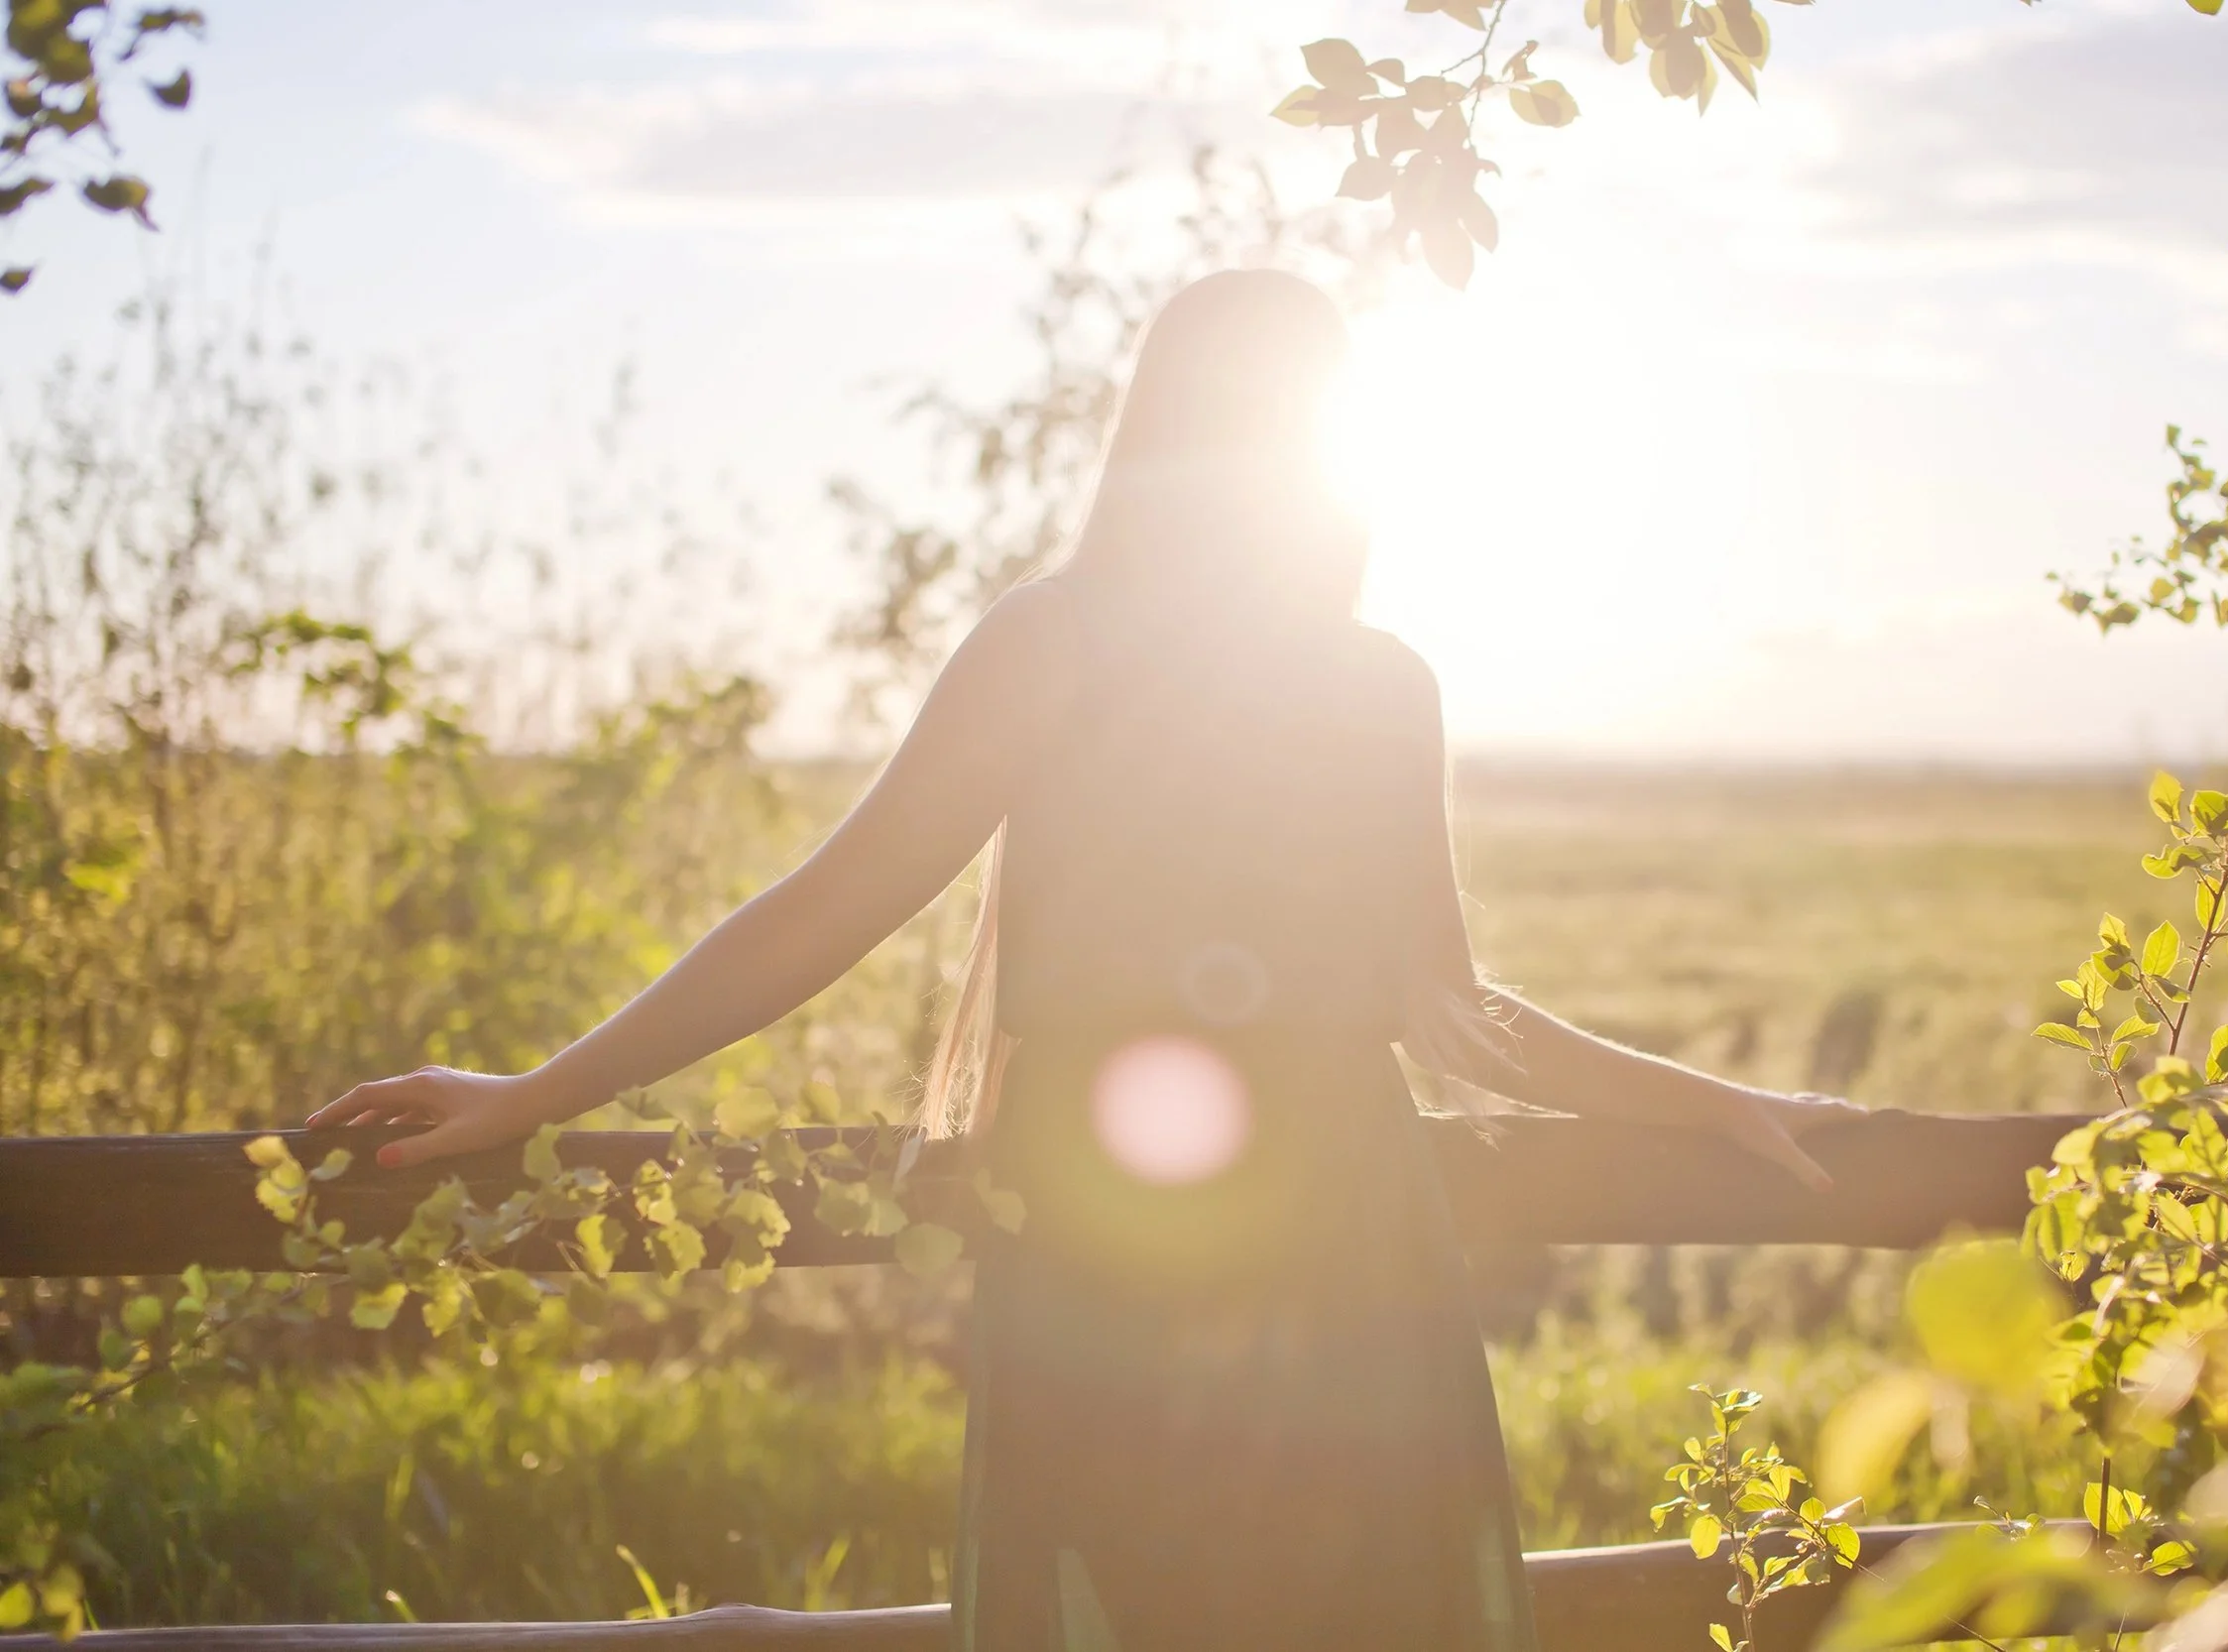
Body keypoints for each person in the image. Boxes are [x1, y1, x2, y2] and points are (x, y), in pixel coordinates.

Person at [310, 269, 1852, 1652]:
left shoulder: (1305, 672)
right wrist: (542, 1089)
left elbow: (1447, 1014)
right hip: (1178, 1239)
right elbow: (831, 907)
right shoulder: (1089, 647)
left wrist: (1700, 1100)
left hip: (1277, 1246)